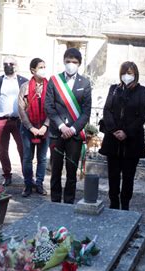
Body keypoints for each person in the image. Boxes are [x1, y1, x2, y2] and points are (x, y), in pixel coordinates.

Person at [99, 61, 145, 210]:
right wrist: (114, 129)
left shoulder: (142, 91)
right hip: (113, 140)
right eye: (124, 73)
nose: (127, 76)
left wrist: (126, 132)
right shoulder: (114, 89)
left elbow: (142, 115)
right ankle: (113, 202)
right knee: (113, 175)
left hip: (132, 141)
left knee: (128, 176)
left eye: (130, 73)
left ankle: (125, 203)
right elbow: (107, 110)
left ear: (135, 74)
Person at [45, 48, 91, 204]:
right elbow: (49, 107)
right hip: (57, 134)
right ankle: (55, 202)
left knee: (72, 171)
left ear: (79, 64)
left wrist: (72, 129)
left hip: (74, 135)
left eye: (75, 62)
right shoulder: (54, 80)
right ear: (64, 61)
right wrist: (61, 126)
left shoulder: (84, 83)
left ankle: (69, 202)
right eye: (68, 61)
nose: (71, 64)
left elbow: (86, 111)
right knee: (56, 170)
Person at [0, 56, 28, 186]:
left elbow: (29, 102)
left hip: (19, 121)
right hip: (2, 121)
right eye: (5, 63)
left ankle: (27, 177)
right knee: (3, 150)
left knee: (23, 149)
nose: (8, 65)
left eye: (11, 63)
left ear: (16, 65)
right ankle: (7, 175)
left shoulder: (24, 82)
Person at [18, 58, 50, 197]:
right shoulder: (25, 86)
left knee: (42, 158)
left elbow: (52, 107)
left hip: (44, 128)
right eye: (40, 67)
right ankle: (28, 185)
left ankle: (39, 184)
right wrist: (31, 127)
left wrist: (45, 126)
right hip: (27, 128)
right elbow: (21, 108)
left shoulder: (50, 86)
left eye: (44, 66)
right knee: (27, 158)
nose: (43, 69)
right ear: (33, 70)